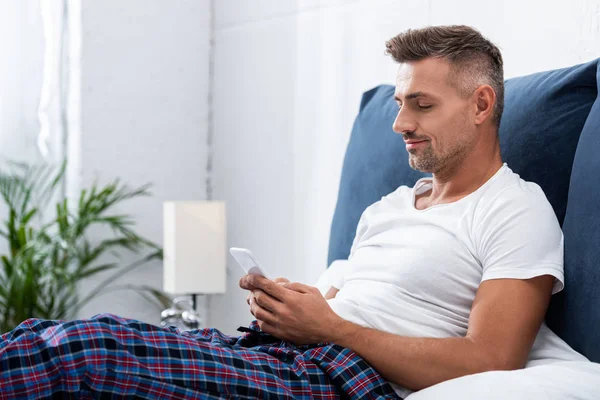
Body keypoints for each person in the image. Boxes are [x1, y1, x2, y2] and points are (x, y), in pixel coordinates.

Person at [0, 25, 592, 399]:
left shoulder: (514, 210)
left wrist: (332, 329)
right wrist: (296, 308)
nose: (399, 124)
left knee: (82, 357)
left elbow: (493, 360)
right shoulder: (387, 208)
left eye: (422, 105)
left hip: (341, 381)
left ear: (482, 104)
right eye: (397, 103)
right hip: (288, 354)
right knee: (56, 334)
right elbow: (356, 304)